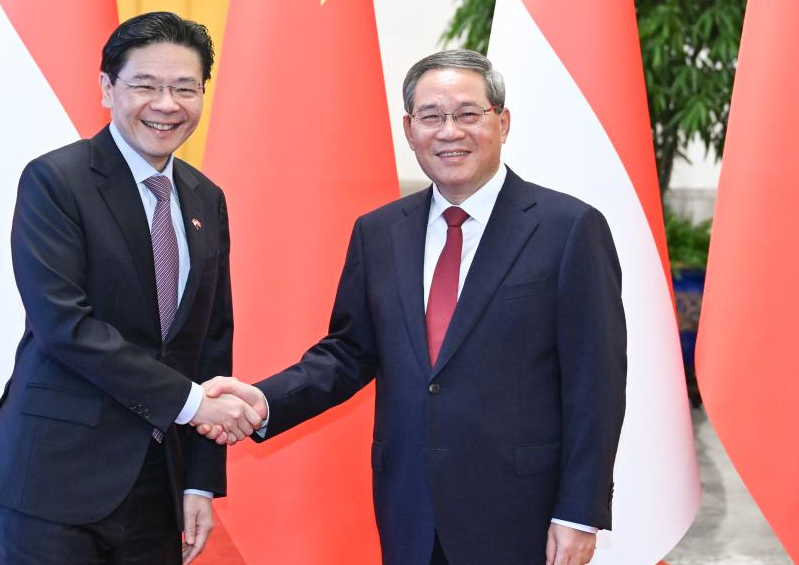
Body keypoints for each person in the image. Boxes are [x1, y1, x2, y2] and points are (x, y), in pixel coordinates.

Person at [199, 49, 627, 565]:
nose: (450, 131)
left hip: (523, 513)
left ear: (503, 122)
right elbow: (348, 354)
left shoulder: (568, 228)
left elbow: (595, 383)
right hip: (410, 508)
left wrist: (579, 513)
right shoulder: (379, 232)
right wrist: (263, 402)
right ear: (409, 129)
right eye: (431, 116)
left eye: (468, 113)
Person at [0, 12, 263, 565]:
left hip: (158, 484)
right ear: (106, 88)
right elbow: (64, 326)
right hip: (55, 478)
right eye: (145, 85)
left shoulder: (205, 197)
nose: (166, 104)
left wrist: (199, 481)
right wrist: (195, 404)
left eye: (185, 88)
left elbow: (210, 342)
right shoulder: (56, 181)